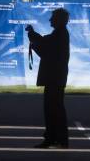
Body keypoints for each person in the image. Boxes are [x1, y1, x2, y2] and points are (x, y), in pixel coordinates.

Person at [26, 8, 70, 149]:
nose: (50, 20)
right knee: (55, 109)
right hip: (56, 78)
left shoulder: (59, 34)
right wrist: (33, 37)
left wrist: (33, 37)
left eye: (52, 17)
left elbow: (46, 48)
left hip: (54, 78)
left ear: (58, 19)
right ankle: (58, 139)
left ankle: (53, 139)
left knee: (52, 110)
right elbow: (46, 44)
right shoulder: (60, 33)